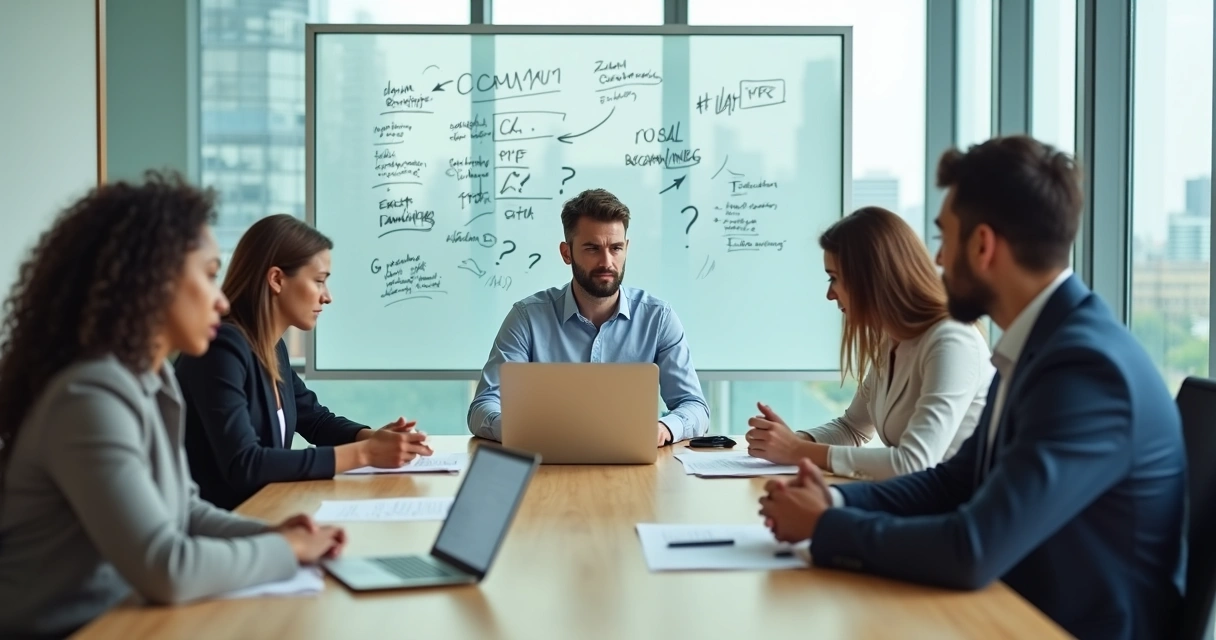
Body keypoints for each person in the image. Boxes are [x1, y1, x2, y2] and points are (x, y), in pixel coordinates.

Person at [757, 136, 1186, 640]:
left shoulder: (1085, 369)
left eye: (944, 237)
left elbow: (974, 548)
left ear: (982, 246)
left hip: (1057, 624)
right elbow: (954, 482)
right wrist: (835, 503)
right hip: (1019, 607)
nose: (937, 259)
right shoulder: (1040, 344)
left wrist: (825, 526)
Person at [0, 173, 346, 639]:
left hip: (124, 619)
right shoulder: (88, 400)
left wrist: (273, 534)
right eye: (209, 275)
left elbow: (185, 509)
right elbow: (168, 568)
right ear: (152, 283)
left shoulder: (151, 380)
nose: (221, 300)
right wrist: (288, 551)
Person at [175, 214, 432, 510]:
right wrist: (366, 453)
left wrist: (375, 438)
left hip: (264, 514)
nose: (327, 297)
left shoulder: (272, 347)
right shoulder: (220, 349)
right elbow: (245, 463)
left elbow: (316, 420)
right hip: (222, 526)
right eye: (319, 281)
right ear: (276, 279)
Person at [746, 207, 995, 481]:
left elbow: (913, 462)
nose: (830, 294)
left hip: (953, 502)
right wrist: (792, 441)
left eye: (834, 278)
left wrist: (796, 450)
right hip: (914, 496)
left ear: (872, 278)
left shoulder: (952, 341)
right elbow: (852, 428)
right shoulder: (892, 338)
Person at [468, 188, 710, 446]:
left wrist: (663, 428)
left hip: (635, 464)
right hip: (547, 462)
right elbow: (483, 406)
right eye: (592, 249)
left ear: (626, 249)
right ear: (567, 253)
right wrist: (522, 430)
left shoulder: (658, 318)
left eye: (616, 248)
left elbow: (694, 406)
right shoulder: (527, 319)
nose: (607, 262)